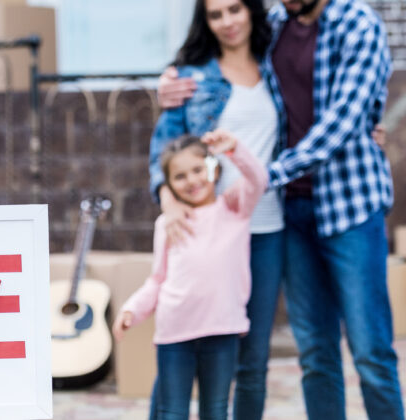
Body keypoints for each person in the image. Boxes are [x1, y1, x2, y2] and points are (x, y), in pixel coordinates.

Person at [158, 0, 405, 419]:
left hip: (350, 205)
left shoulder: (358, 23)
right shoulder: (272, 24)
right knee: (315, 353)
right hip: (292, 211)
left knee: (370, 352)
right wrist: (169, 82)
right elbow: (222, 74)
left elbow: (343, 121)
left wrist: (262, 175)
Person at [143, 1, 285, 418]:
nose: (228, 22)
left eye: (235, 9)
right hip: (208, 230)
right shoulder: (190, 77)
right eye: (216, 14)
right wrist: (167, 199)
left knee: (253, 359)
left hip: (267, 228)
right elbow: (162, 153)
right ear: (204, 22)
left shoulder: (275, 67)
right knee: (182, 349)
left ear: (251, 11)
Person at [114, 132, 267, 420]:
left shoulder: (234, 209)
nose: (192, 181)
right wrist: (132, 309)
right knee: (172, 411)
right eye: (180, 176)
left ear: (213, 168)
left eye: (198, 170)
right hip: (175, 335)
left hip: (222, 332)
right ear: (169, 185)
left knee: (216, 410)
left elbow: (258, 179)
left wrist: (235, 149)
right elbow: (157, 280)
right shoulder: (168, 224)